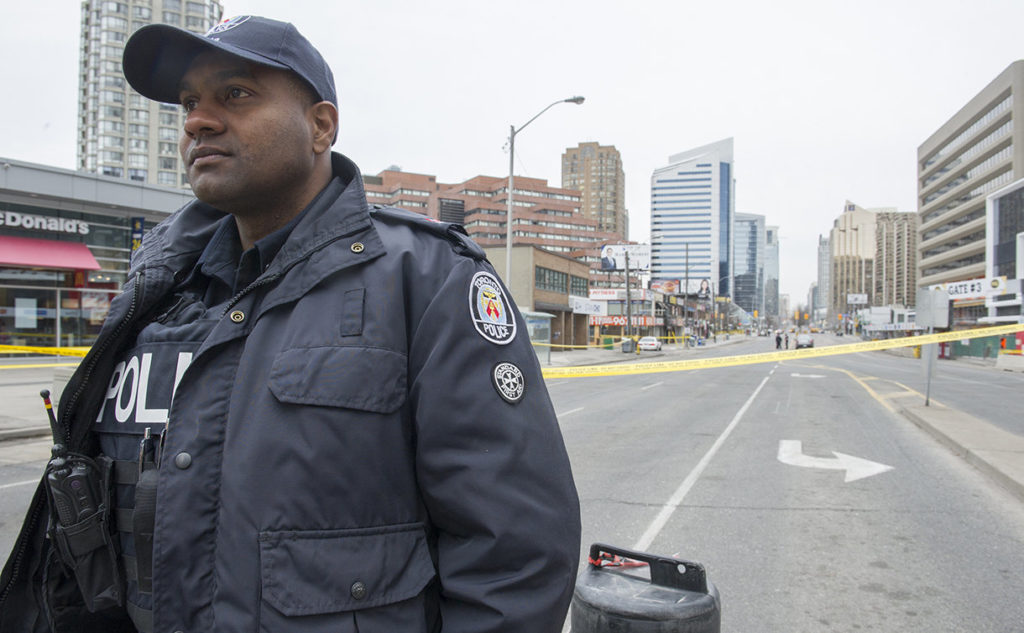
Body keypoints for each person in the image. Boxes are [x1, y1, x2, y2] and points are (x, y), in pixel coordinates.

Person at [0, 16, 580, 633]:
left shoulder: (429, 281)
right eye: (190, 102)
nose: (198, 119)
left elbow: (513, 557)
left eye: (236, 94)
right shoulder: (155, 296)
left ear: (320, 126)